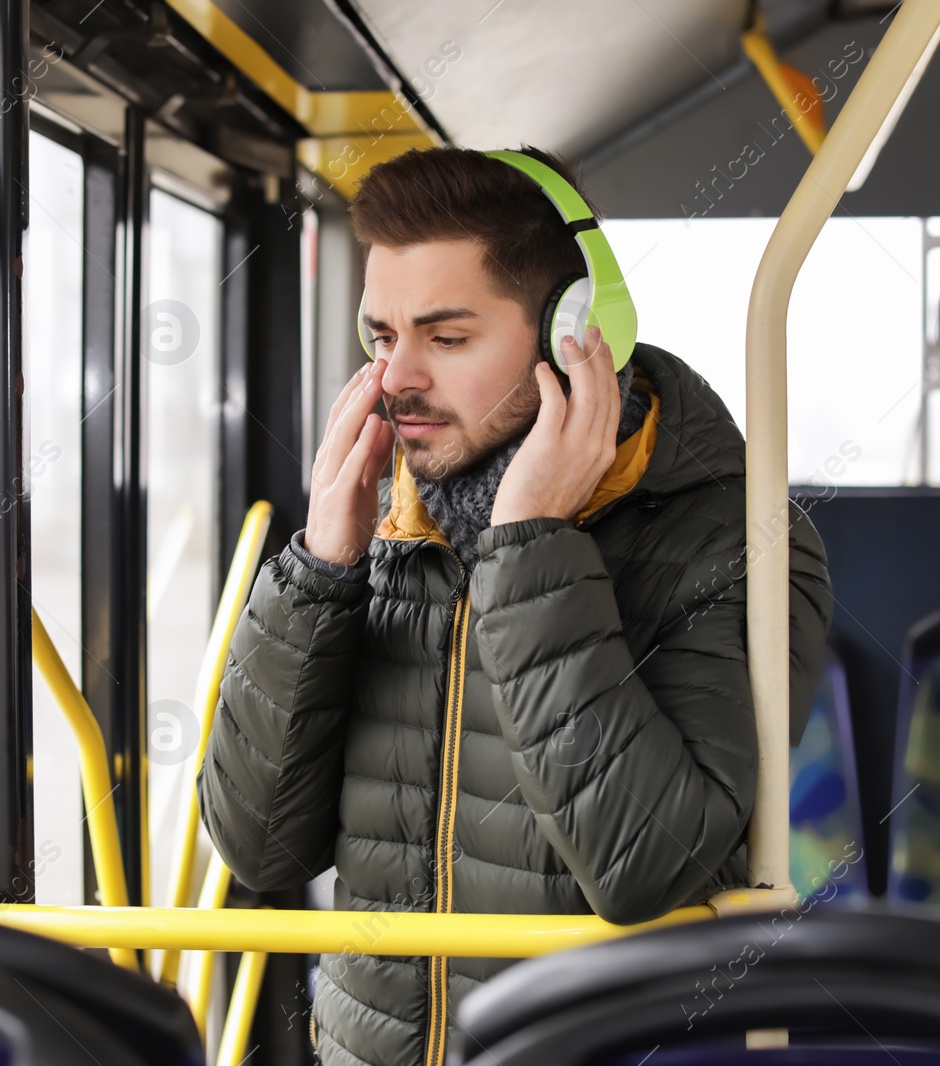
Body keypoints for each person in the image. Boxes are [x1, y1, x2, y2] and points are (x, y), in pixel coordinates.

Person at [197, 145, 835, 1066]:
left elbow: (646, 868)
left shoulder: (735, 543)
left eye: (446, 338)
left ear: (573, 335)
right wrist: (318, 570)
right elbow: (257, 851)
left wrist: (531, 544)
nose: (397, 380)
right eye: (381, 338)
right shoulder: (378, 525)